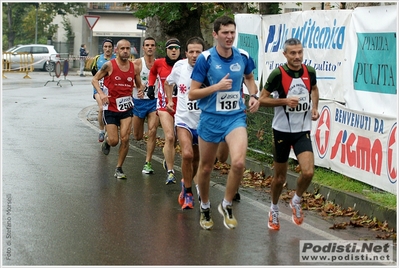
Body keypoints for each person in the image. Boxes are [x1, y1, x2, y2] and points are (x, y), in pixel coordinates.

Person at [188, 16, 259, 230]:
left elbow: (249, 78)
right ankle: (205, 206)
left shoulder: (243, 56)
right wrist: (216, 87)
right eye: (225, 32)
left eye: (232, 32)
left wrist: (254, 95)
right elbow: (192, 93)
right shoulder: (205, 59)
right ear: (215, 34)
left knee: (238, 163)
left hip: (235, 117)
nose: (229, 36)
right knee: (206, 167)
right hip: (210, 118)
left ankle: (226, 204)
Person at [258, 37, 320, 231]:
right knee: (279, 178)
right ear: (285, 54)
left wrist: (315, 108)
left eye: (300, 52)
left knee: (308, 172)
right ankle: (274, 208)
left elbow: (315, 89)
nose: (297, 56)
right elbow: (262, 99)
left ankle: (296, 200)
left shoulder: (309, 71)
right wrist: (284, 102)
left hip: (302, 131)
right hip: (282, 131)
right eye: (292, 53)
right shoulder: (278, 74)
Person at [92, 39, 142, 179]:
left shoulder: (134, 68)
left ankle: (119, 168)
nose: (125, 51)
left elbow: (139, 85)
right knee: (114, 141)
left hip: (126, 108)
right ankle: (107, 142)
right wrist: (101, 94)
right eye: (122, 49)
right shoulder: (109, 65)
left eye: (128, 48)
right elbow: (94, 80)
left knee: (125, 138)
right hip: (111, 107)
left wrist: (140, 90)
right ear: (117, 50)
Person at [164, 37, 205, 209]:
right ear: (186, 53)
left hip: (202, 121)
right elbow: (168, 83)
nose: (195, 55)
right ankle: (188, 192)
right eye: (192, 52)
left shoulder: (209, 69)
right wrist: (169, 100)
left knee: (196, 159)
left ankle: (185, 182)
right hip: (183, 119)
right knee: (187, 154)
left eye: (199, 52)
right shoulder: (179, 67)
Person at [147, 38, 182, 185]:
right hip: (163, 105)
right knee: (169, 137)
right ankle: (170, 172)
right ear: (166, 50)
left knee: (175, 139)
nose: (173, 50)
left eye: (176, 48)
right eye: (170, 48)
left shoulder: (185, 64)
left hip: (181, 107)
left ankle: (168, 158)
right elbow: (153, 73)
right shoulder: (158, 63)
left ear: (180, 51)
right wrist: (150, 86)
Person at [132, 37, 160, 174]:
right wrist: (138, 86)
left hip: (154, 101)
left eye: (152, 45)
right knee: (137, 136)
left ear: (155, 48)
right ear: (143, 48)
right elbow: (128, 79)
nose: (150, 47)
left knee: (152, 131)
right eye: (147, 45)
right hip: (138, 102)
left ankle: (147, 162)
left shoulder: (160, 64)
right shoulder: (137, 63)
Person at [92, 39, 116, 142]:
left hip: (111, 90)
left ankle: (108, 131)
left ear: (113, 48)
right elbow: (94, 74)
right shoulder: (98, 59)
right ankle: (101, 131)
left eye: (109, 47)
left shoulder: (116, 59)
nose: (107, 49)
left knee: (110, 110)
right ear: (102, 47)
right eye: (105, 46)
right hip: (99, 89)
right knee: (102, 108)